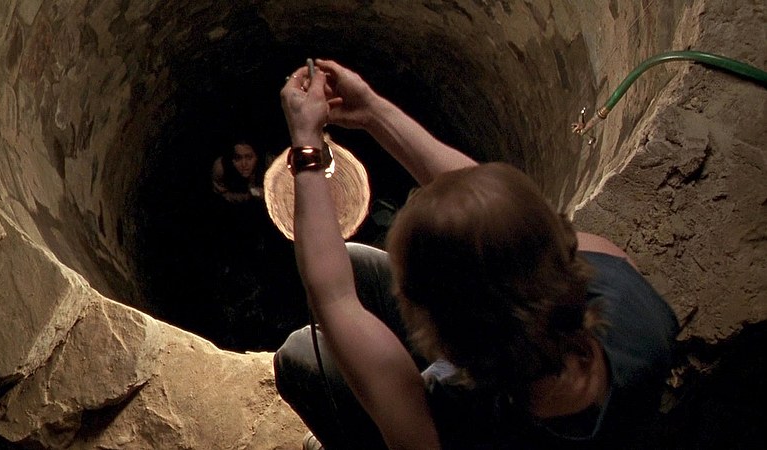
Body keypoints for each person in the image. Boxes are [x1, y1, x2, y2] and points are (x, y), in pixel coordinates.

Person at [274, 59, 679, 449]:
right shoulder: (625, 295)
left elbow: (333, 297)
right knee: (356, 260)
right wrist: (372, 111)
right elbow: (503, 218)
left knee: (298, 356)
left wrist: (306, 145)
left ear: (440, 335)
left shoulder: (447, 429)